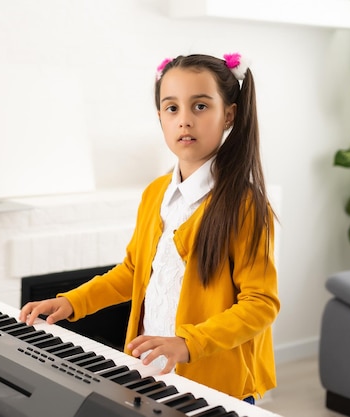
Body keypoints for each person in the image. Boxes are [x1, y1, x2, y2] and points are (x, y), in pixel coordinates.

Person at [19, 53, 280, 403]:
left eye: (200, 106)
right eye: (172, 108)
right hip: (153, 373)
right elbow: (132, 272)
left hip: (215, 386)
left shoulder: (245, 205)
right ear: (160, 117)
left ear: (229, 114)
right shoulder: (155, 193)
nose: (184, 120)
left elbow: (260, 304)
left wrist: (187, 344)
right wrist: (71, 302)